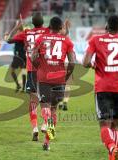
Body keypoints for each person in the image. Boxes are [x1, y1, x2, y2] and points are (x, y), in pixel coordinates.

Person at [82, 15, 118, 160]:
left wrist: (92, 64)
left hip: (103, 87)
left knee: (104, 125)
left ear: (106, 27)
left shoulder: (96, 40)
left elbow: (85, 61)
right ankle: (114, 157)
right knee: (116, 125)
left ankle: (112, 147)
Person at [31, 16, 75, 151]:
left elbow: (33, 57)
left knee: (45, 106)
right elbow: (72, 61)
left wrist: (38, 65)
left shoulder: (41, 39)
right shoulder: (66, 40)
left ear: (49, 27)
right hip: (59, 79)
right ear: (61, 27)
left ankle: (47, 122)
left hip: (44, 78)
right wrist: (66, 75)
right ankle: (47, 142)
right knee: (54, 108)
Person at [7, 13, 50, 141]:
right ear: (43, 22)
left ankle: (34, 128)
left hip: (32, 70)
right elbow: (62, 34)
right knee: (45, 101)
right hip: (45, 70)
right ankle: (45, 123)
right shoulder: (48, 31)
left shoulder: (27, 33)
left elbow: (8, 39)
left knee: (32, 101)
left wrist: (17, 27)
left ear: (32, 22)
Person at [5, 25, 26, 92]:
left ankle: (18, 85)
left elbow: (8, 41)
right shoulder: (24, 35)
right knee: (23, 72)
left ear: (19, 30)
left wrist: (6, 35)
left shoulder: (20, 36)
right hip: (24, 56)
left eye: (17, 30)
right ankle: (23, 88)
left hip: (18, 57)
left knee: (12, 71)